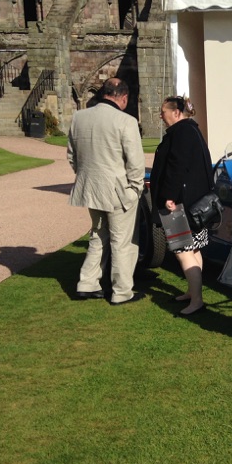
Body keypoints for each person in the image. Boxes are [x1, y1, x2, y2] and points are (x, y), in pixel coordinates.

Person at [67, 77, 146, 304]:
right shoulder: (126, 120)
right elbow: (136, 162)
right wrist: (135, 189)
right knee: (122, 241)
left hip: (90, 187)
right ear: (123, 97)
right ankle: (121, 292)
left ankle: (87, 283)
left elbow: (72, 156)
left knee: (98, 235)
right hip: (119, 190)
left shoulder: (78, 117)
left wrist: (86, 177)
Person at [151, 96, 213, 317]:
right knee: (193, 249)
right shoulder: (191, 130)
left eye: (163, 111)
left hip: (181, 205)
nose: (161, 115)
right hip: (194, 203)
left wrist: (168, 196)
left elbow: (176, 167)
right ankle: (193, 292)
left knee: (183, 251)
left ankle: (196, 300)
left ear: (176, 113)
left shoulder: (182, 132)